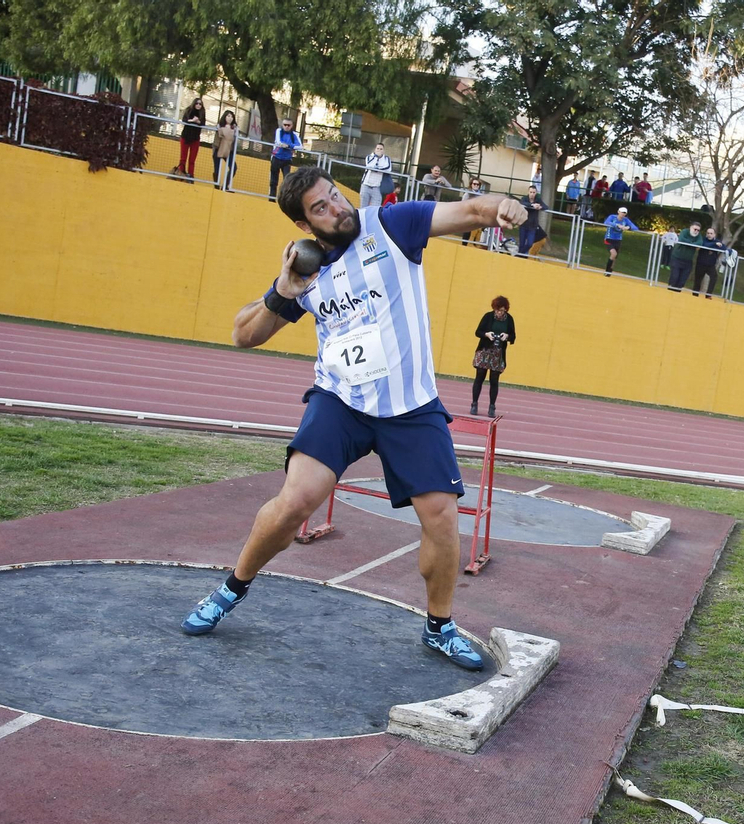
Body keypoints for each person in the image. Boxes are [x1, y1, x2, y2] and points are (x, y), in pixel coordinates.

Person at [180, 167, 526, 672]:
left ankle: (440, 627)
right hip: (341, 401)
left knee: (443, 517)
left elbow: (472, 211)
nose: (337, 208)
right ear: (304, 224)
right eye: (321, 208)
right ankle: (230, 590)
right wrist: (284, 289)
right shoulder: (308, 269)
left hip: (409, 405)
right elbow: (243, 334)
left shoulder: (391, 225)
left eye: (335, 196)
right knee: (296, 500)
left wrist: (502, 207)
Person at [470, 296, 515, 418]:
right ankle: (474, 404)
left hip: (498, 353)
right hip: (484, 350)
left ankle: (492, 406)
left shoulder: (509, 319)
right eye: (497, 310)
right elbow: (477, 332)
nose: (499, 312)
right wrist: (486, 334)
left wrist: (507, 336)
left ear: (506, 310)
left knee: (494, 380)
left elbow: (513, 336)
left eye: (502, 310)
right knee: (479, 377)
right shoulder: (488, 316)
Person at [268, 119, 301, 200]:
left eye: (288, 125)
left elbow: (300, 146)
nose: (286, 127)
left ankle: (284, 197)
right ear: (282, 125)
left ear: (292, 126)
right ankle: (272, 197)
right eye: (285, 125)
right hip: (276, 157)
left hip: (287, 160)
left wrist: (289, 146)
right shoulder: (279, 131)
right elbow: (279, 142)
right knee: (273, 179)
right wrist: (284, 145)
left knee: (287, 179)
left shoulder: (295, 135)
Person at [175, 97, 206, 180]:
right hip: (186, 137)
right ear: (194, 103)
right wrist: (192, 120)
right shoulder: (189, 110)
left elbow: (203, 123)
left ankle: (190, 176)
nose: (198, 105)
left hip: (195, 138)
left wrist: (198, 122)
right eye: (197, 103)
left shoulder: (202, 112)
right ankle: (181, 173)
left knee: (192, 159)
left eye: (200, 104)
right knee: (183, 157)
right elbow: (184, 120)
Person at [602, 206, 638, 276]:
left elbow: (635, 227)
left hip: (618, 240)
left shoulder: (626, 220)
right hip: (609, 238)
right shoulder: (612, 217)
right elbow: (606, 222)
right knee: (613, 254)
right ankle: (607, 271)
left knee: (615, 257)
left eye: (624, 213)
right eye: (622, 212)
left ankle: (610, 271)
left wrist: (629, 227)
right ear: (618, 212)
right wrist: (617, 225)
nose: (623, 214)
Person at [668, 221, 702, 292]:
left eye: (698, 230)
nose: (696, 231)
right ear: (690, 227)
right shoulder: (684, 232)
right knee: (675, 277)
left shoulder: (699, 236)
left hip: (688, 261)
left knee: (682, 281)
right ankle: (670, 292)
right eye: (695, 229)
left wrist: (690, 243)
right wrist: (692, 244)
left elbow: (700, 243)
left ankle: (677, 294)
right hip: (677, 258)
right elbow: (682, 239)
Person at [693, 226, 725, 298]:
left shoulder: (717, 241)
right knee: (698, 280)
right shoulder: (703, 240)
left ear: (714, 234)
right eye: (708, 233)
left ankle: (708, 295)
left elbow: (723, 247)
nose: (709, 235)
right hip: (701, 264)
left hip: (710, 265)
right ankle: (695, 295)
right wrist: (714, 245)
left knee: (714, 277)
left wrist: (720, 246)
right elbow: (705, 245)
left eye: (711, 233)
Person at [211, 110, 238, 191]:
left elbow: (234, 140)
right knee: (217, 169)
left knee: (234, 167)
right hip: (218, 149)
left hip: (229, 150)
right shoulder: (219, 126)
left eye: (232, 117)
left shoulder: (235, 128)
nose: (230, 118)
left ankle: (225, 185)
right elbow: (218, 138)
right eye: (228, 116)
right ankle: (216, 185)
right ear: (224, 117)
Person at [361, 142, 393, 207]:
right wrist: (376, 158)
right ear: (375, 149)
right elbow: (369, 166)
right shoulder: (369, 157)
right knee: (363, 207)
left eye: (381, 149)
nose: (379, 150)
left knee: (375, 208)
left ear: (383, 151)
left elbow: (388, 169)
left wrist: (377, 169)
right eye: (377, 148)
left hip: (377, 187)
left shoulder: (386, 159)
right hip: (366, 185)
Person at [460, 177, 486, 245]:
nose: (476, 186)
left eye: (478, 184)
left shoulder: (481, 195)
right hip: (469, 213)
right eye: (474, 184)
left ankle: (476, 243)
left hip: (478, 213)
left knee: (480, 228)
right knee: (467, 230)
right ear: (471, 184)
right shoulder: (467, 194)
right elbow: (463, 204)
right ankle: (464, 244)